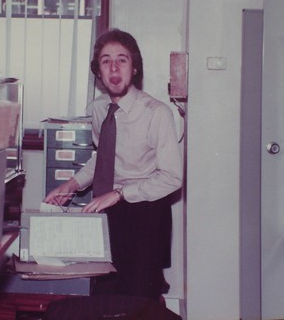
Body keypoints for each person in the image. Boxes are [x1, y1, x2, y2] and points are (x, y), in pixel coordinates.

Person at [44, 28, 183, 300]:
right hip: (108, 212)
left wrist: (119, 194)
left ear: (134, 68)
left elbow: (172, 177)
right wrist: (70, 185)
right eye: (106, 60)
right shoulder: (98, 108)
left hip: (146, 213)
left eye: (122, 59)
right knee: (104, 293)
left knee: (139, 299)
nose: (114, 67)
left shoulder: (157, 114)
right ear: (98, 71)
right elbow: (102, 158)